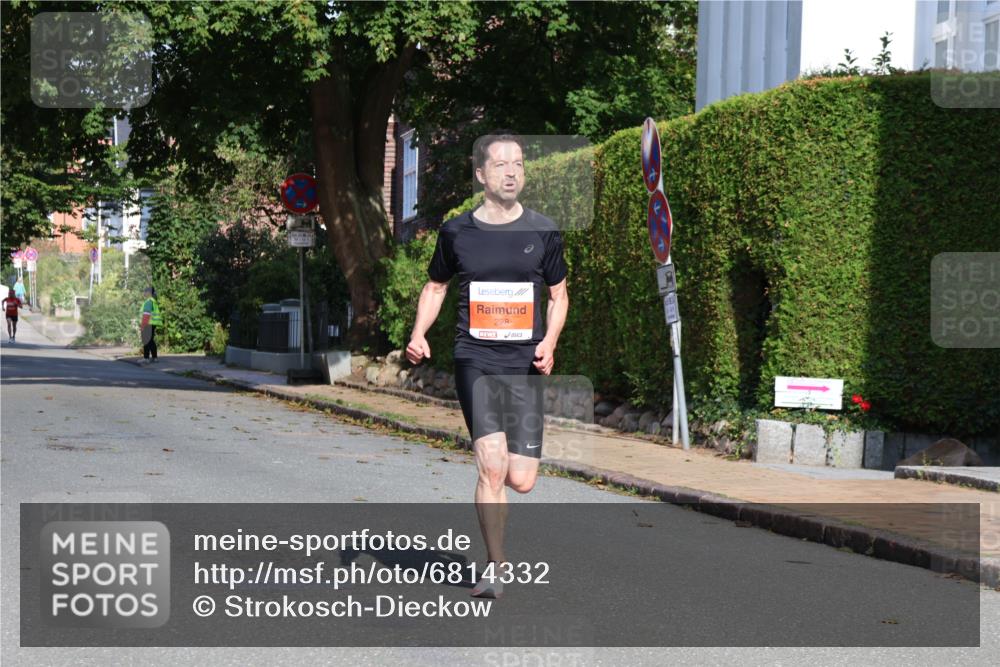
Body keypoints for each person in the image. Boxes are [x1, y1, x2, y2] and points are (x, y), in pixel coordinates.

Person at [406, 131, 569, 599]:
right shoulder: (457, 231)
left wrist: (550, 341)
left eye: (518, 163)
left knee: (521, 479)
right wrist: (419, 334)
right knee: (491, 468)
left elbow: (558, 296)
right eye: (501, 164)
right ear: (481, 174)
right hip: (474, 358)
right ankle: (495, 568)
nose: (512, 171)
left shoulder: (543, 230)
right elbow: (436, 287)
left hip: (524, 364)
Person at [140, 287, 163, 362]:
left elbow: (146, 314)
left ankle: (146, 358)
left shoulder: (148, 301)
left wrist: (143, 325)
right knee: (151, 340)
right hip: (153, 323)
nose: (144, 293)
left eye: (145, 292)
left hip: (148, 323)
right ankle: (154, 357)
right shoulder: (154, 301)